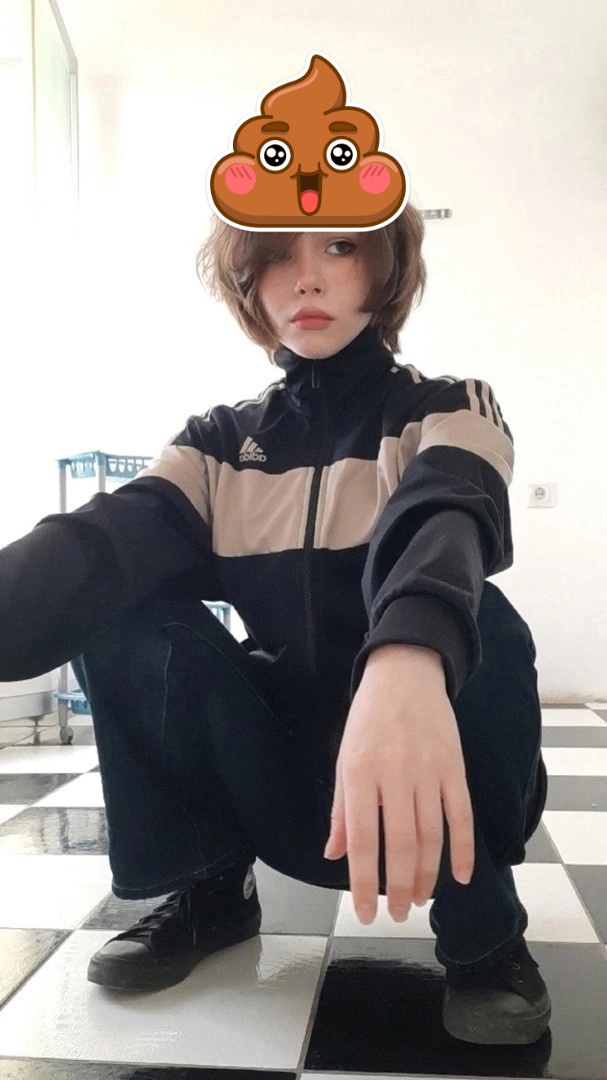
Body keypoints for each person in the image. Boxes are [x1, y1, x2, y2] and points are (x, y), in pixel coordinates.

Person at [0, 204, 550, 1046]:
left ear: (383, 266)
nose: (307, 278)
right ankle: (211, 891)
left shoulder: (448, 408)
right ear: (247, 282)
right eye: (274, 257)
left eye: (339, 247)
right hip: (280, 774)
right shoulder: (216, 444)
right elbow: (104, 543)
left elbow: (447, 513)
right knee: (120, 611)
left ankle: (484, 931)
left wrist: (404, 660)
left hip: (422, 762)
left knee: (479, 620)